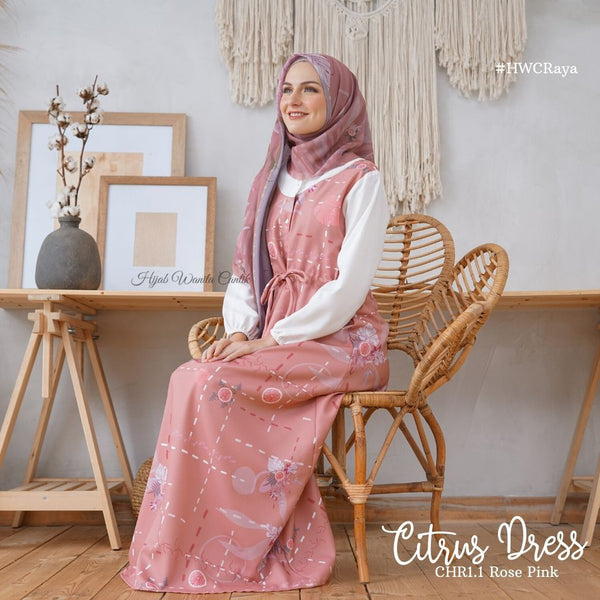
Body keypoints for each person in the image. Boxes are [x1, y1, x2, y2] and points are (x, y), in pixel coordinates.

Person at [121, 52, 390, 594]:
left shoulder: (362, 181)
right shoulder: (271, 179)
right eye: (287, 89)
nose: (294, 100)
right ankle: (192, 548)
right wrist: (241, 332)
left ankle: (240, 549)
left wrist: (271, 339)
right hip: (272, 337)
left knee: (211, 383)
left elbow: (348, 290)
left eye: (310, 89)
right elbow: (245, 270)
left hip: (342, 341)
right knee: (189, 377)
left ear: (339, 101)